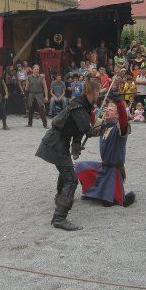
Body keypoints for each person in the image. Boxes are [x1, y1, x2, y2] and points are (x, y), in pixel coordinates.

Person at [35, 77, 101, 231]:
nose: (100, 93)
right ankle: (59, 218)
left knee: (66, 172)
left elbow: (77, 128)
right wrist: (104, 127)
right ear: (94, 91)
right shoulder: (78, 106)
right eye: (99, 91)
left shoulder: (83, 105)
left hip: (59, 141)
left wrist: (76, 144)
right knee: (71, 179)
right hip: (55, 142)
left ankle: (60, 198)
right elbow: (86, 129)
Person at [74, 100, 135, 207]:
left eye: (110, 110)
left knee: (108, 202)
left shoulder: (120, 128)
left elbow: (124, 120)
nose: (107, 111)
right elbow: (92, 119)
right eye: (106, 109)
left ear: (117, 115)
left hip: (114, 170)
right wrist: (86, 104)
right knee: (79, 166)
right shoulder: (104, 125)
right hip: (104, 167)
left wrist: (119, 103)